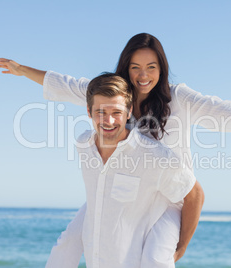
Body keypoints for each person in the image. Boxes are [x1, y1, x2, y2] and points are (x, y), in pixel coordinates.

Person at [0, 32, 231, 264]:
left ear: (161, 68)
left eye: (151, 67)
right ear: (125, 67)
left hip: (169, 197)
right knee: (70, 242)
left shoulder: (179, 97)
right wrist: (22, 70)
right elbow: (68, 85)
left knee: (156, 258)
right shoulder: (115, 95)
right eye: (135, 67)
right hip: (119, 187)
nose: (143, 75)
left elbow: (229, 110)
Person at [51, 72, 197, 268]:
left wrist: (181, 247)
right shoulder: (83, 144)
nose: (108, 121)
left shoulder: (152, 155)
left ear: (129, 112)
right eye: (100, 112)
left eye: (116, 113)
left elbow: (194, 195)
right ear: (88, 111)